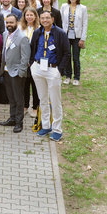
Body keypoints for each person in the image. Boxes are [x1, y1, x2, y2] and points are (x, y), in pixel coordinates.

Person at [30, 9, 69, 141]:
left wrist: (59, 70)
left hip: (53, 70)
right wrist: (32, 65)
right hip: (38, 68)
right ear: (39, 20)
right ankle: (46, 125)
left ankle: (57, 129)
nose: (45, 20)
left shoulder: (60, 34)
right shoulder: (37, 32)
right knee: (43, 99)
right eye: (42, 18)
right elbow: (32, 49)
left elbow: (66, 53)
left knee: (55, 100)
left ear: (52, 19)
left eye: (47, 18)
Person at [0, 14, 31, 133]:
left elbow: (25, 58)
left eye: (11, 22)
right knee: (11, 97)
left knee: (18, 99)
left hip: (17, 73)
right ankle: (12, 118)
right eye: (7, 22)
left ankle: (19, 122)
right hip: (7, 71)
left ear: (17, 23)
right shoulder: (4, 34)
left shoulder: (22, 37)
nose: (9, 25)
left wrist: (21, 72)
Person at [60, 0, 88, 85]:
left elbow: (85, 24)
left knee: (76, 57)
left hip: (77, 36)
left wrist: (82, 39)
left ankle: (76, 77)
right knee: (67, 56)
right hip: (66, 35)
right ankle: (68, 76)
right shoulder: (64, 6)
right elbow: (61, 21)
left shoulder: (83, 8)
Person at [20, 7, 40, 118]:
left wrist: (32, 60)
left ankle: (35, 107)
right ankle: (25, 105)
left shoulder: (39, 28)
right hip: (24, 61)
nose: (29, 17)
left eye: (31, 15)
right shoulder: (21, 28)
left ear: (35, 16)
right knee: (24, 85)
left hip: (35, 62)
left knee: (35, 85)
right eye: (27, 15)